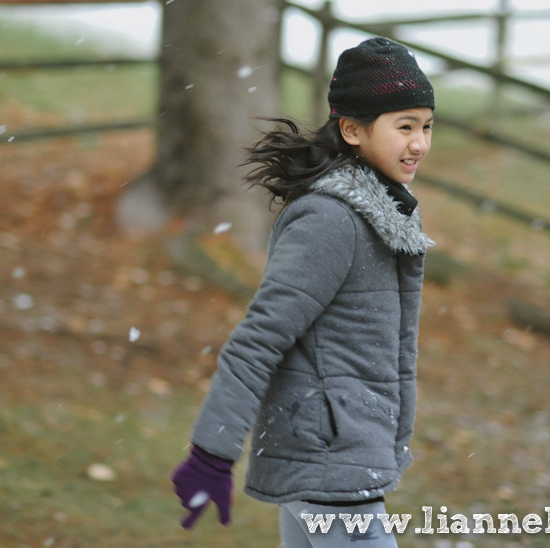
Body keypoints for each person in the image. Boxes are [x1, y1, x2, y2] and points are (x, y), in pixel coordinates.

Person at [171, 37, 435, 547]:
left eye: (426, 126)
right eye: (404, 126)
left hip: (334, 454)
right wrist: (211, 453)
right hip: (331, 458)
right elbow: (260, 338)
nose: (420, 142)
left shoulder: (376, 212)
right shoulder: (331, 221)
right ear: (352, 129)